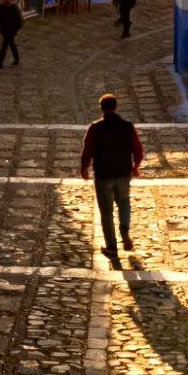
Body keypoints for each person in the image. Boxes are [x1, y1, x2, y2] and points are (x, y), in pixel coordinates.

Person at [79, 93, 144, 268]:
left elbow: (88, 150)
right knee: (124, 202)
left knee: (106, 213)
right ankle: (124, 229)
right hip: (123, 173)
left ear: (101, 108)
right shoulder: (127, 127)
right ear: (116, 107)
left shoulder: (95, 128)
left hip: (103, 175)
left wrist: (84, 168)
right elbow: (138, 149)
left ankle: (112, 248)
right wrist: (136, 166)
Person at [0, 0, 23, 68]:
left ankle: (0, 62)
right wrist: (0, 25)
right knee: (11, 44)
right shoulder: (2, 7)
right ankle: (16, 59)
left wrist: (14, 30)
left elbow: (20, 21)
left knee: (5, 45)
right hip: (5, 30)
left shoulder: (14, 8)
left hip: (10, 31)